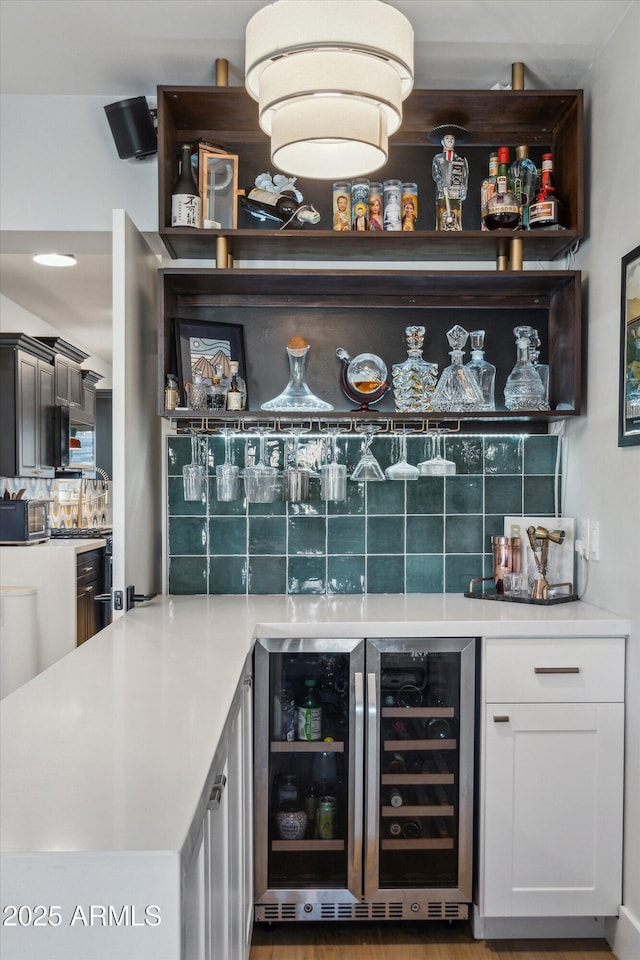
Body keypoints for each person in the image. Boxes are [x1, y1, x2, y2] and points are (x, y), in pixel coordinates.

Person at [432, 130, 469, 231]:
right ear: (442, 142)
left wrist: (463, 189)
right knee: (441, 209)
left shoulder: (460, 160)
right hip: (442, 192)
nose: (450, 140)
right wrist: (440, 181)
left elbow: (464, 176)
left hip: (455, 192)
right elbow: (435, 173)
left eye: (452, 138)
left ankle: (456, 226)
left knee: (456, 210)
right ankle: (441, 227)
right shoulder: (438, 158)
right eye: (447, 138)